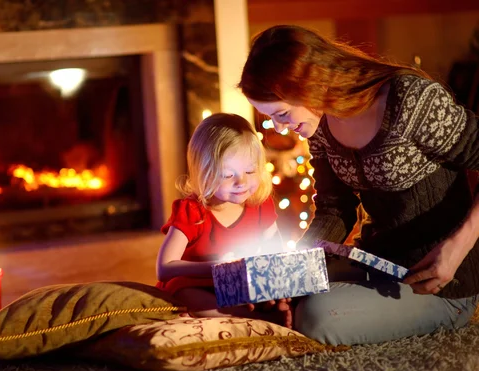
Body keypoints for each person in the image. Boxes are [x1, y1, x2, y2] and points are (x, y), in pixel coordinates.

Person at [238, 25, 479, 346]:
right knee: (259, 286)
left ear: (310, 84)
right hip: (378, 262)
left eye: (281, 114)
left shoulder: (410, 101)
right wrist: (295, 271)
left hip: (441, 282)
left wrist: (457, 245)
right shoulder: (320, 126)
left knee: (315, 316)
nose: (280, 128)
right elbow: (335, 209)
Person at [156, 113, 291, 326]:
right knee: (187, 296)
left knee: (274, 292)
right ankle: (254, 317)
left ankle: (260, 309)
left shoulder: (260, 205)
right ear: (204, 173)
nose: (242, 182)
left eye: (250, 171)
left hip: (240, 283)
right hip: (198, 285)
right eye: (228, 175)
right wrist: (217, 268)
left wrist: (276, 284)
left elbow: (276, 253)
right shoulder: (192, 211)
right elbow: (164, 268)